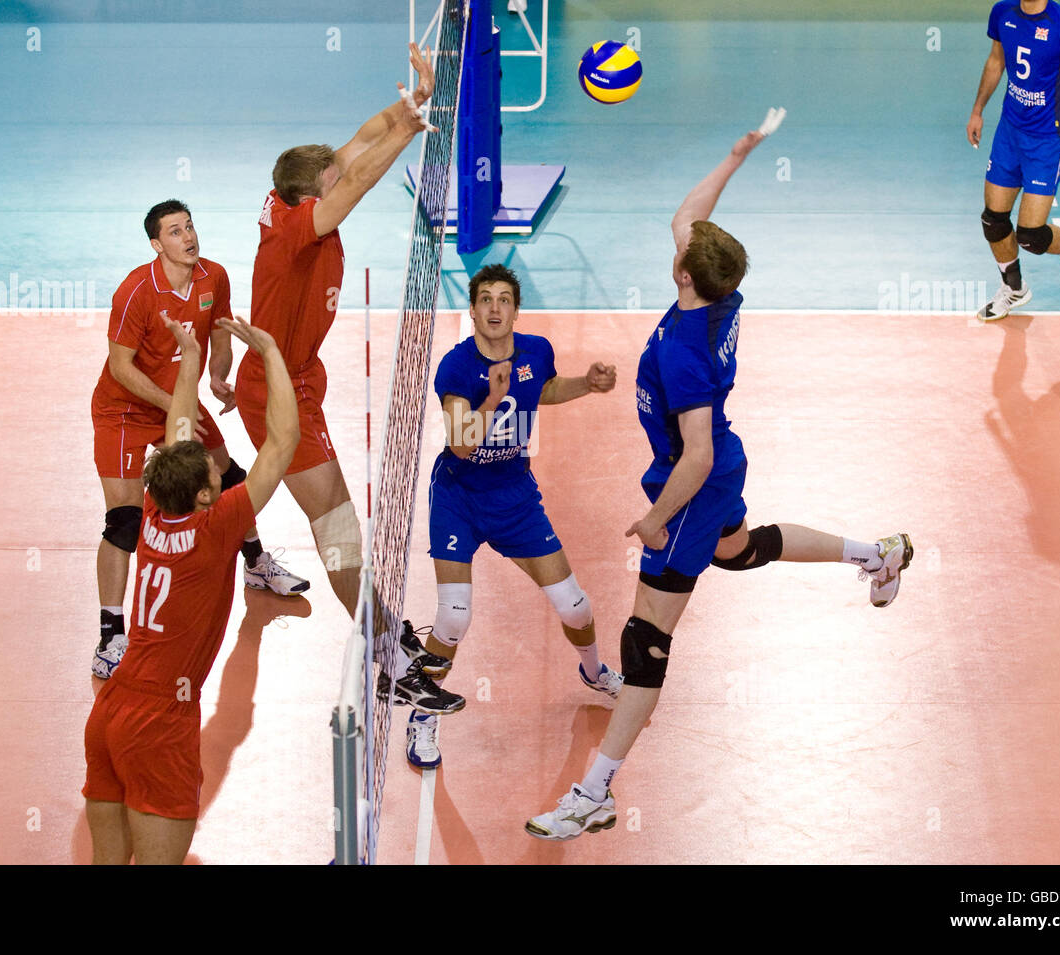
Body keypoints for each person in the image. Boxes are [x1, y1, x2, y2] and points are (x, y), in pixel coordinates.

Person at [525, 113, 913, 840]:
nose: (681, 236)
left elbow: (696, 455)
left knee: (645, 641)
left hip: (693, 483)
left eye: (684, 248)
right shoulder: (717, 294)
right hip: (717, 465)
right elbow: (689, 217)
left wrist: (655, 518)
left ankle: (594, 791)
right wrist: (738, 154)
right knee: (740, 550)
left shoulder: (684, 354)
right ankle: (877, 552)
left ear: (683, 274)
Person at [83, 315, 299, 864]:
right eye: (215, 474)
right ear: (206, 495)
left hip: (110, 709)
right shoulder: (215, 528)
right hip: (160, 723)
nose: (220, 473)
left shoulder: (156, 510)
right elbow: (283, 442)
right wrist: (271, 354)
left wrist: (188, 360)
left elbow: (179, 428)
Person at [235, 44, 435, 620]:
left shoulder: (298, 194)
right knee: (338, 524)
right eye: (331, 180)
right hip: (275, 390)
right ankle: (381, 649)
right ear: (309, 198)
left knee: (340, 520)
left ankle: (382, 634)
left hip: (298, 377)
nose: (340, 175)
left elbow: (358, 144)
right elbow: (360, 182)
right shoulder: (299, 229)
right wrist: (409, 136)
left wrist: (410, 104)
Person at [405, 265, 622, 770]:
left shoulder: (536, 350)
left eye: (505, 299)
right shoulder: (456, 368)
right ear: (474, 309)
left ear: (516, 310)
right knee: (454, 615)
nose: (496, 308)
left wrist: (586, 385)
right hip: (459, 497)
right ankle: (423, 713)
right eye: (486, 299)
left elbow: (542, 390)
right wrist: (495, 396)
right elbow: (461, 443)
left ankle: (593, 671)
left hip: (514, 496)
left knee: (574, 606)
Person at [91, 200, 307, 680]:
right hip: (124, 408)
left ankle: (255, 561)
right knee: (125, 522)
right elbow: (120, 367)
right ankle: (110, 635)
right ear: (156, 244)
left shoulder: (214, 277)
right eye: (174, 232)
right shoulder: (135, 292)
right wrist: (176, 408)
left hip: (180, 394)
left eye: (189, 227)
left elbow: (222, 331)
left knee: (227, 475)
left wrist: (218, 374)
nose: (187, 237)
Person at [966, 0, 1060, 320]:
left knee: (1030, 234)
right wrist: (977, 110)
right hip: (1009, 132)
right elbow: (995, 61)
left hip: (1047, 139)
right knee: (993, 219)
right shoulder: (1003, 12)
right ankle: (1014, 288)